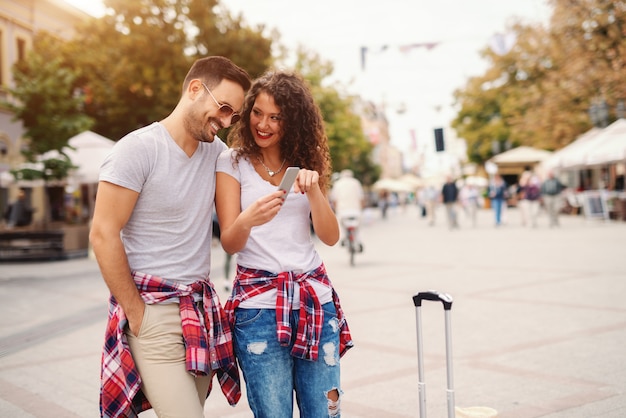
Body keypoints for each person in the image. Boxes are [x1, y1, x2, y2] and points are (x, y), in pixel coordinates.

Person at [89, 56, 251, 418]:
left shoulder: (217, 154)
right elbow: (102, 233)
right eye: (224, 108)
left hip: (200, 311)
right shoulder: (138, 149)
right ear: (195, 89)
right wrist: (137, 313)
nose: (226, 122)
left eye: (234, 116)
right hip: (153, 313)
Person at [215, 70, 353, 417]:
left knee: (324, 412)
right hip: (259, 308)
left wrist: (316, 190)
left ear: (292, 121)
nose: (263, 124)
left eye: (275, 117)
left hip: (314, 302)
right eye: (257, 113)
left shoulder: (305, 162)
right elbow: (230, 242)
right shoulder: (232, 162)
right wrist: (249, 219)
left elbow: (331, 236)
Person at [331, 168, 365, 251]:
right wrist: (361, 208)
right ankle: (359, 241)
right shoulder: (356, 182)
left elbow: (334, 199)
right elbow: (361, 198)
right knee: (358, 227)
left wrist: (336, 209)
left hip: (342, 211)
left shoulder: (338, 184)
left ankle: (342, 238)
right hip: (355, 210)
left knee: (340, 223)